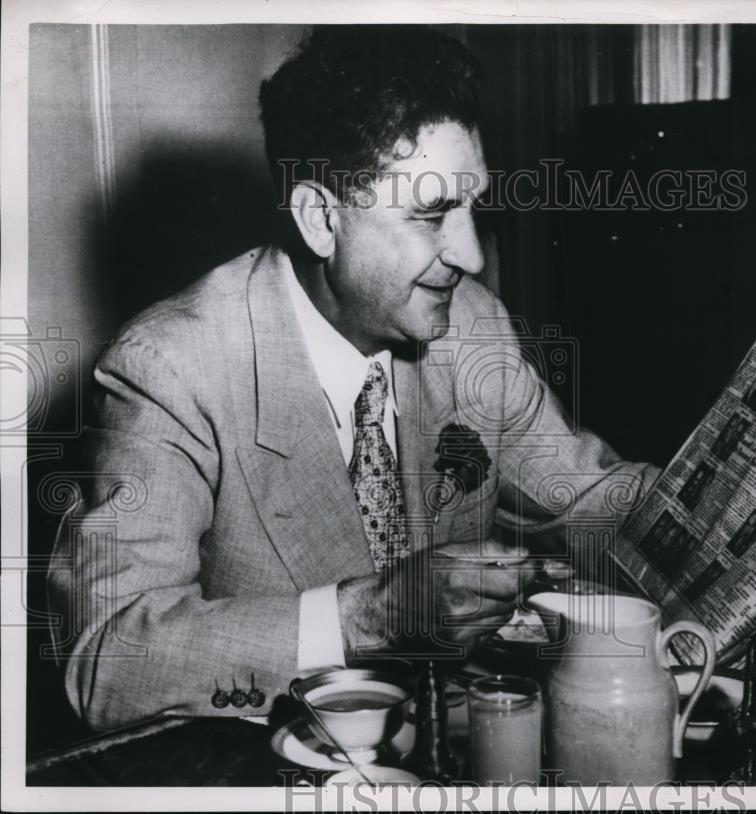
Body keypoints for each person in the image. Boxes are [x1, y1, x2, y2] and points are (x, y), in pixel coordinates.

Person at [47, 26, 658, 731]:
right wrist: (368, 615)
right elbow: (109, 665)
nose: (471, 256)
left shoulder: (470, 324)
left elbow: (594, 501)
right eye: (431, 215)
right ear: (319, 219)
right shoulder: (172, 369)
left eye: (472, 207)